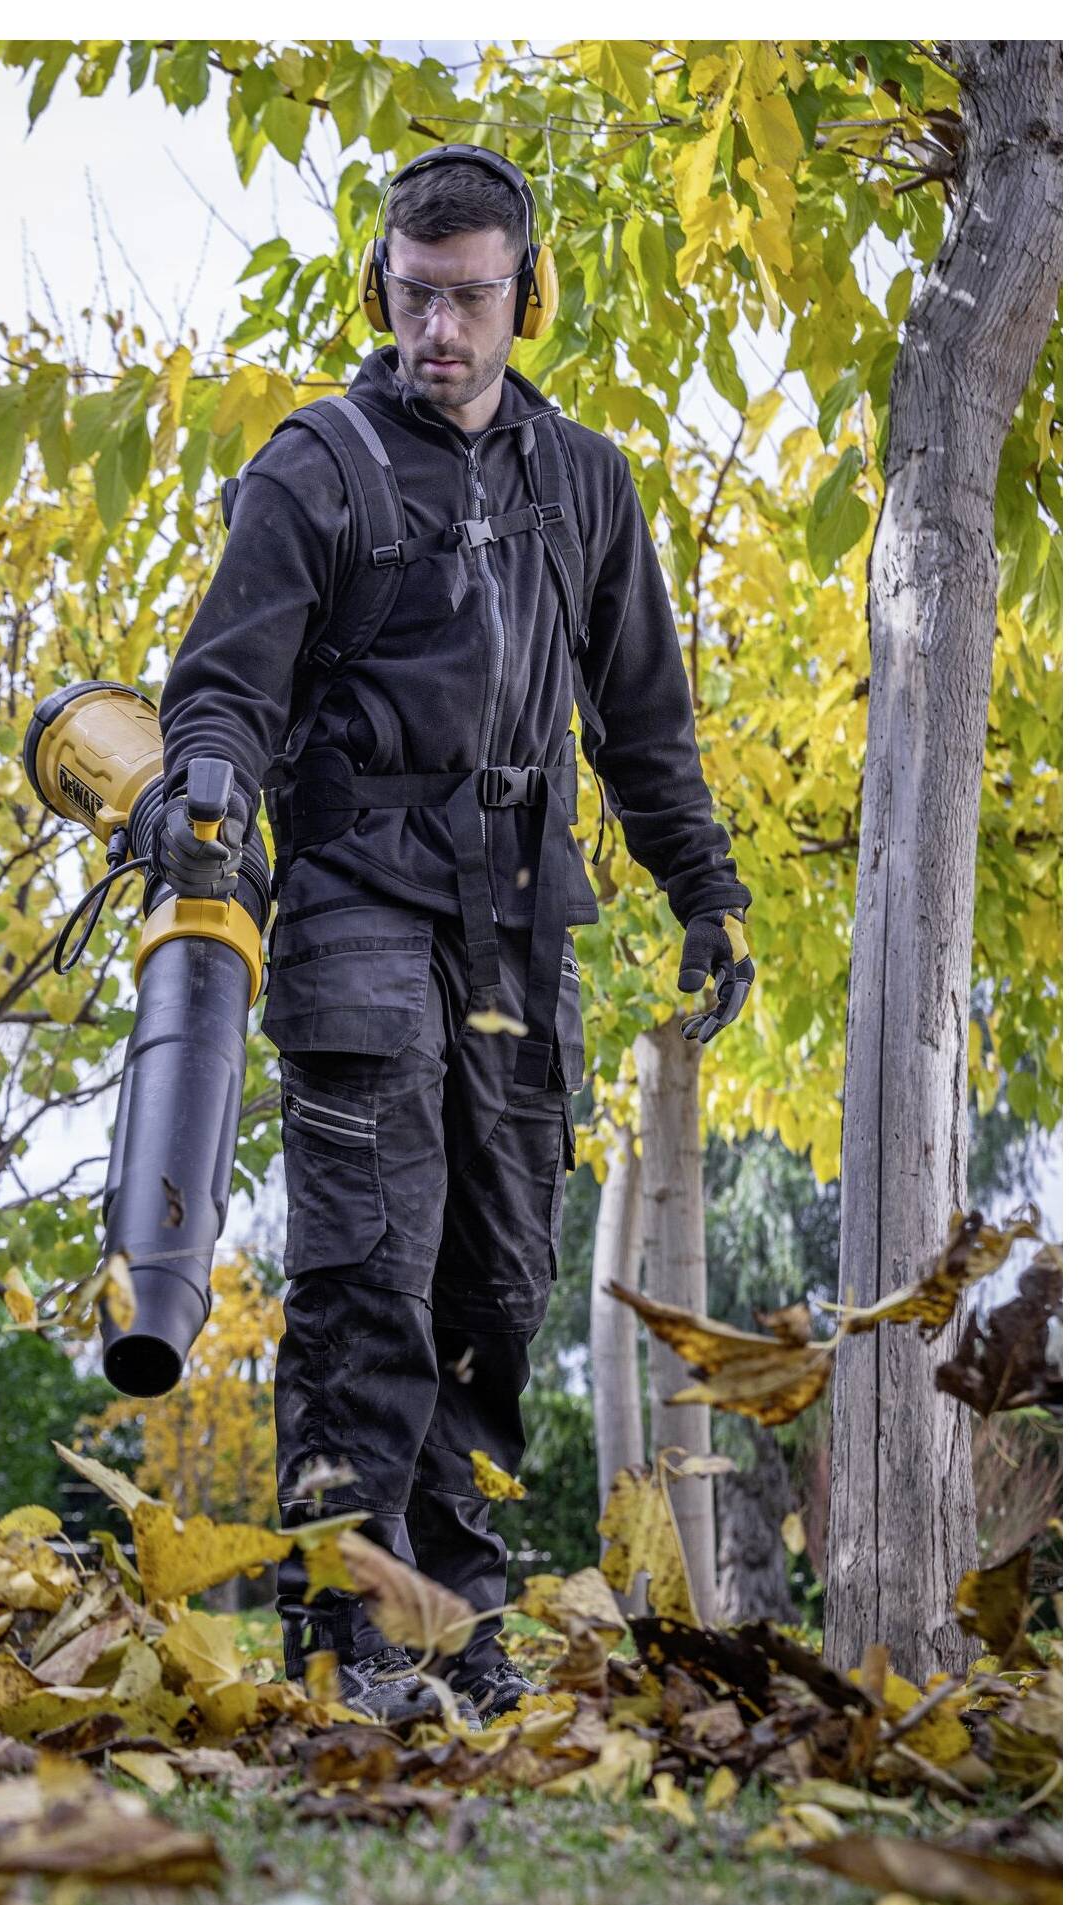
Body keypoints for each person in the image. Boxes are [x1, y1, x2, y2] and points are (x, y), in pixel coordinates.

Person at [154, 144, 755, 1726]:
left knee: (495, 1280)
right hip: (355, 907)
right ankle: (355, 1629)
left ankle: (461, 1613)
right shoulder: (316, 469)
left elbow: (644, 727)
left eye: (472, 300)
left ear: (526, 298)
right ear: (382, 289)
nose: (441, 333)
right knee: (370, 1268)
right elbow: (222, 682)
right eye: (416, 298)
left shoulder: (586, 488)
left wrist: (706, 890)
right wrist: (208, 778)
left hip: (516, 927)